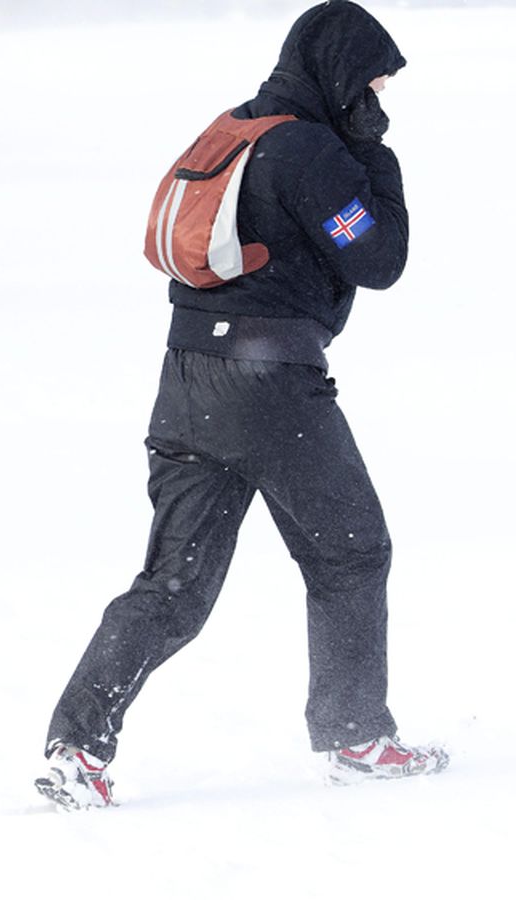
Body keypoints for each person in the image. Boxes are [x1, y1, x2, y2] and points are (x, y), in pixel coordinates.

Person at [35, 0, 448, 811]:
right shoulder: (309, 151)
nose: (378, 103)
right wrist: (378, 160)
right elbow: (379, 258)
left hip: (187, 380)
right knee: (351, 553)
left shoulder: (234, 128)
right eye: (372, 83)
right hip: (269, 385)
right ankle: (354, 733)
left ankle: (76, 746)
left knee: (173, 589)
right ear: (338, 74)